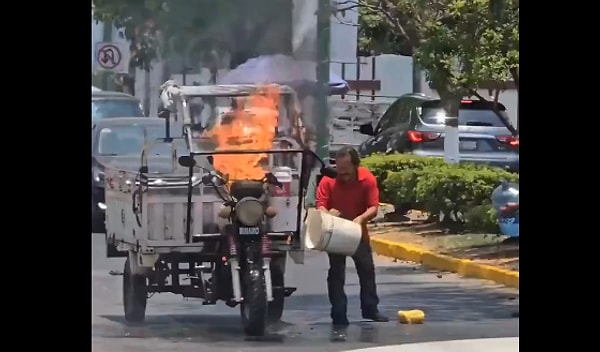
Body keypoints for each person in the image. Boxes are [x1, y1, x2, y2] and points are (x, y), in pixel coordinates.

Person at [315, 146, 388, 340]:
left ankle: (370, 309)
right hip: (335, 231)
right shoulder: (328, 179)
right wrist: (326, 213)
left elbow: (373, 207)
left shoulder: (367, 179)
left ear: (356, 166)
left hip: (358, 231)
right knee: (336, 272)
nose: (343, 175)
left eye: (347, 171)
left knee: (367, 270)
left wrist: (360, 219)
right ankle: (338, 313)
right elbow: (320, 204)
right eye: (340, 170)